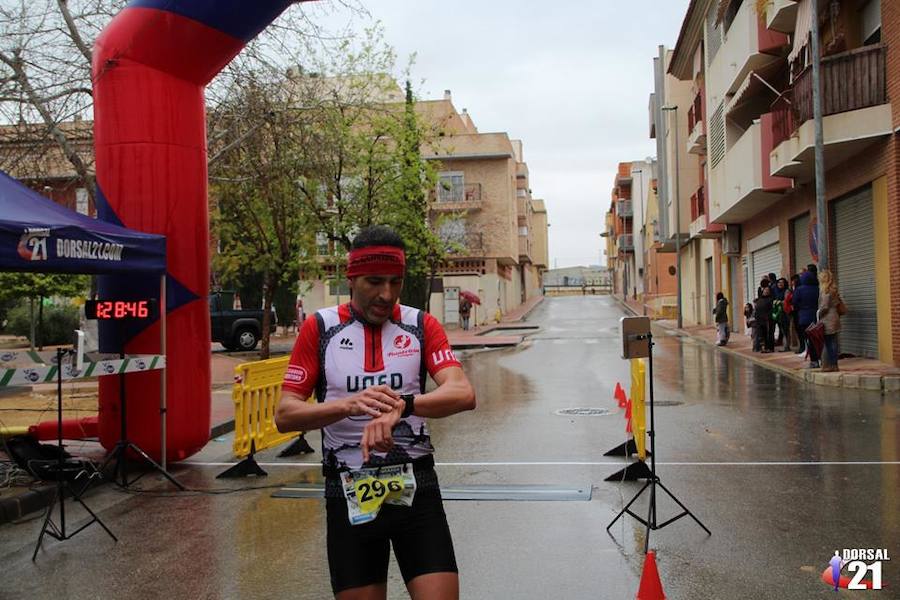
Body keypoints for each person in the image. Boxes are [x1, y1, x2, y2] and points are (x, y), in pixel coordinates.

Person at [275, 225, 476, 600]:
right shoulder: (319, 329)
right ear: (351, 279)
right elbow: (285, 414)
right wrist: (347, 406)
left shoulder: (419, 324)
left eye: (395, 282)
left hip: (416, 484)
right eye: (374, 282)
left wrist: (405, 405)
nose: (386, 294)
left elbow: (462, 392)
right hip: (349, 487)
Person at [817, 269, 844, 372]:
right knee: (833, 342)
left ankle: (831, 365)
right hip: (835, 317)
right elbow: (836, 303)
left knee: (829, 343)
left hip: (828, 319)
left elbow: (824, 307)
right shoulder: (833, 289)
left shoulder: (825, 291)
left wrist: (818, 314)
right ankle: (834, 365)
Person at [793, 270, 820, 367]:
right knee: (818, 339)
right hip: (816, 316)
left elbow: (795, 302)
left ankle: (814, 360)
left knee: (809, 339)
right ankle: (820, 358)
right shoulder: (817, 289)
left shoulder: (799, 290)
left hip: (804, 317)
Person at [754, 286, 775, 353]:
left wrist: (768, 316)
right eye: (765, 290)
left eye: (767, 290)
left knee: (769, 334)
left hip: (767, 320)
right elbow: (756, 309)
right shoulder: (759, 300)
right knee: (763, 334)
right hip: (760, 320)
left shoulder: (771, 299)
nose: (766, 291)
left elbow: (772, 310)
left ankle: (770, 348)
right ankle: (764, 347)